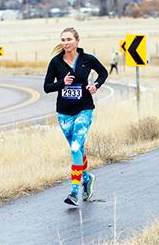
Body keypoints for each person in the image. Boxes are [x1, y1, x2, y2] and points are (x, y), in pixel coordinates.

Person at [44, 27, 108, 206]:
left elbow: (103, 73)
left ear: (77, 41)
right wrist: (62, 83)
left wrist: (96, 85)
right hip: (64, 113)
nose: (66, 43)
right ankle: (86, 178)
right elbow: (47, 87)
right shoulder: (56, 62)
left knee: (74, 148)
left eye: (69, 39)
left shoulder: (88, 60)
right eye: (63, 40)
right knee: (78, 150)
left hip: (84, 109)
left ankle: (74, 191)